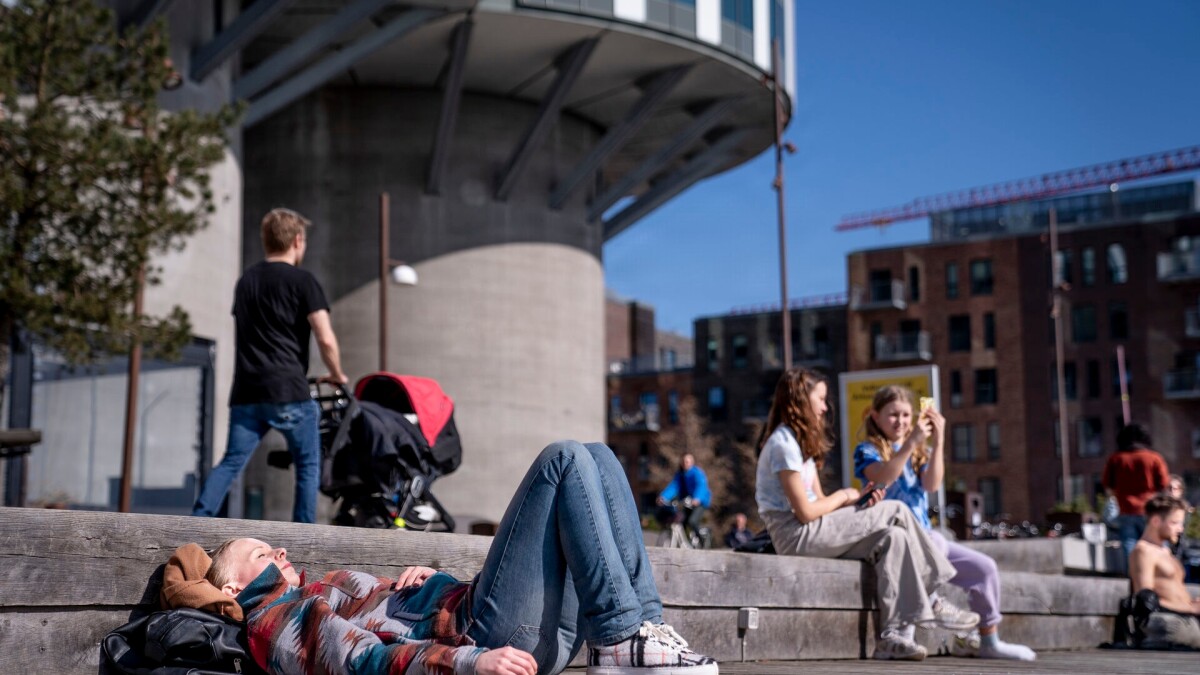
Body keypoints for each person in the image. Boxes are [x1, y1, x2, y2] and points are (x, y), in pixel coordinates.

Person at [199, 441, 718, 675]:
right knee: (563, 461)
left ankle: (641, 636)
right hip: (487, 642)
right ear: (230, 590)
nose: (280, 551)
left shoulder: (318, 590)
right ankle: (622, 641)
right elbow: (362, 663)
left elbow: (389, 629)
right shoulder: (273, 620)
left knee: (600, 457)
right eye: (262, 552)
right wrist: (469, 662)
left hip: (513, 636)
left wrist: (429, 583)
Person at [754, 367, 978, 661]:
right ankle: (933, 597)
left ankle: (892, 636)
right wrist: (845, 495)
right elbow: (806, 513)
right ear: (799, 399)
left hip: (815, 530)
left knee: (894, 537)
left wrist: (858, 502)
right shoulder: (783, 444)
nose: (824, 407)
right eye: (820, 399)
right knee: (896, 509)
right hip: (795, 535)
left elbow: (820, 502)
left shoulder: (798, 445)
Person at [853, 385, 1036, 661]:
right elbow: (882, 478)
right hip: (896, 540)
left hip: (927, 538)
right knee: (937, 540)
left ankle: (989, 640)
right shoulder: (867, 449)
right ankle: (909, 629)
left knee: (984, 569)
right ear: (876, 417)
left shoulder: (917, 450)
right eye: (893, 415)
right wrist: (911, 445)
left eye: (905, 415)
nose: (900, 422)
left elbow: (932, 483)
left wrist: (938, 442)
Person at [193, 208, 348, 524]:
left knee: (232, 462)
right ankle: (304, 533)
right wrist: (336, 373)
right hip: (288, 388)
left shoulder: (246, 281)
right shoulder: (303, 281)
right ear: (297, 240)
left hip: (247, 392)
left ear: (266, 241)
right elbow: (326, 339)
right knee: (306, 464)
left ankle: (198, 519)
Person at [1128, 493, 1200, 648]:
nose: (1180, 529)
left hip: (1186, 615)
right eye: (1174, 523)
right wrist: (1191, 608)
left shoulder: (1166, 552)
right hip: (1170, 619)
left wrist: (1193, 603)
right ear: (1155, 521)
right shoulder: (1143, 551)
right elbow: (1145, 601)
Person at [1102, 423, 1170, 567]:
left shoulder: (1116, 459)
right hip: (1151, 509)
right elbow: (1163, 484)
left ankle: (1136, 577)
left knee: (1130, 545)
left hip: (1126, 509)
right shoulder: (1154, 458)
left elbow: (1108, 484)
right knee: (1156, 544)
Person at [657, 453, 712, 545]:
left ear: (692, 462)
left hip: (700, 502)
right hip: (686, 502)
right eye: (684, 461)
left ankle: (702, 541)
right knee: (682, 522)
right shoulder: (680, 475)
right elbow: (673, 487)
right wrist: (663, 497)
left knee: (692, 521)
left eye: (687, 461)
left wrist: (697, 498)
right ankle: (686, 544)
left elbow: (701, 486)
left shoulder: (697, 473)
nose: (685, 463)